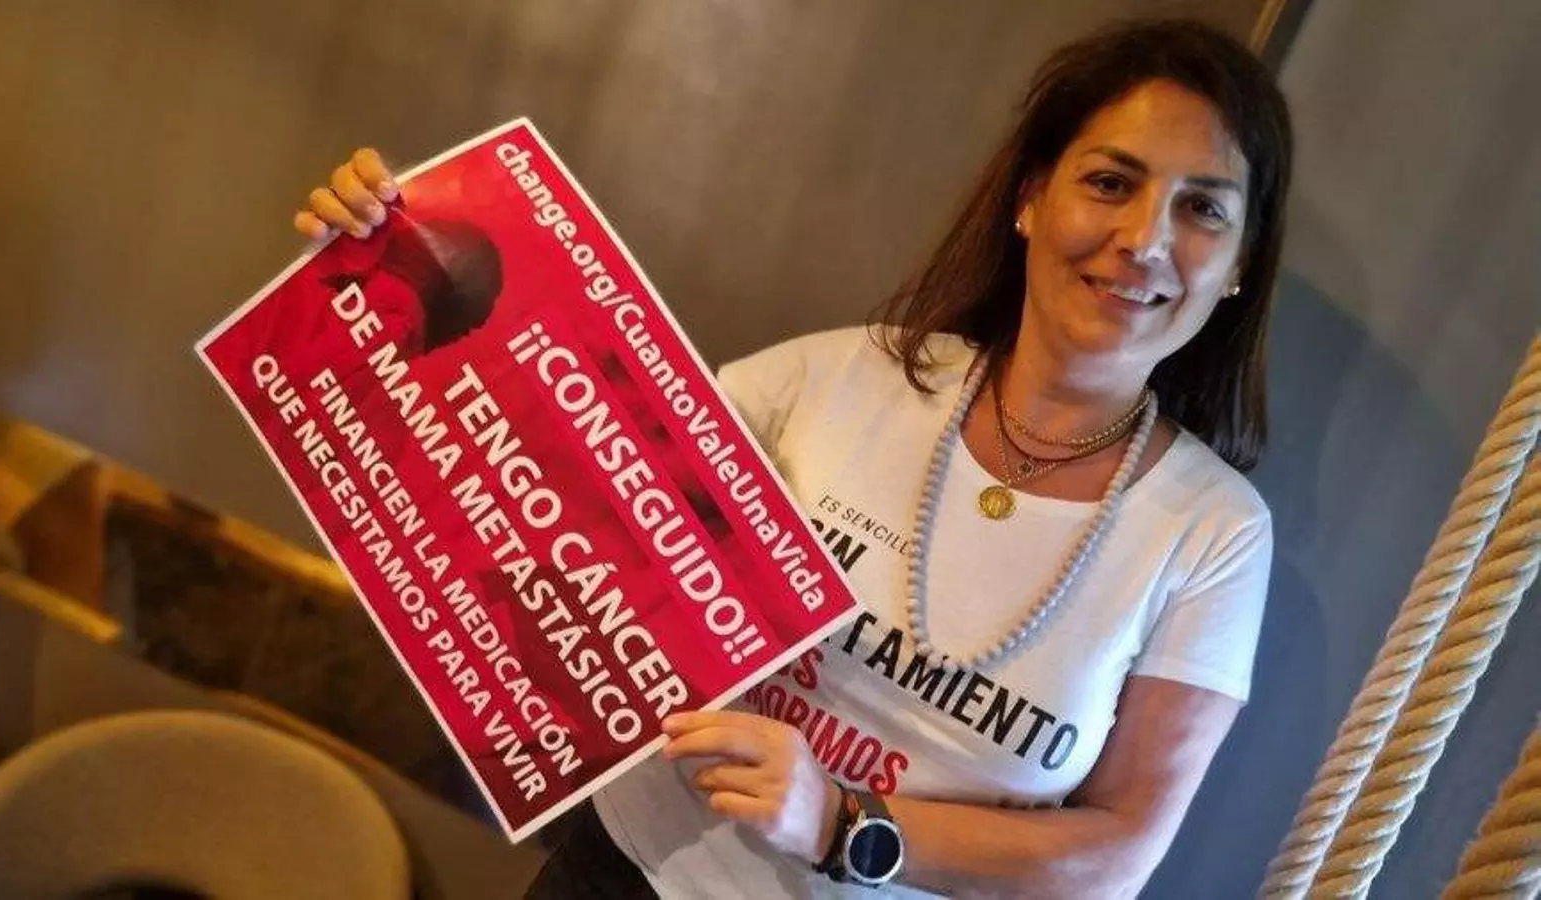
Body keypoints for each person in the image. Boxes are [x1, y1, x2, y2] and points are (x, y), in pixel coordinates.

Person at [294, 17, 1290, 899]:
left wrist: (839, 823)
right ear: (1031, 199)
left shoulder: (1213, 534)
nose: (1143, 239)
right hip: (628, 877)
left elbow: (1113, 857)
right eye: (1110, 182)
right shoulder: (837, 379)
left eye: (1203, 209)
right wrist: (393, 261)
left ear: (1240, 262)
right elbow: (532, 477)